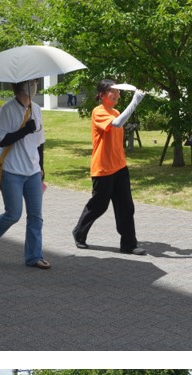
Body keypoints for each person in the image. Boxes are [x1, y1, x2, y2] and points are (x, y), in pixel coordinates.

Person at [0, 79, 50, 269]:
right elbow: (2, 141)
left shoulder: (37, 109)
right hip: (11, 170)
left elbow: (40, 142)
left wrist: (41, 166)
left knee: (36, 216)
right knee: (13, 214)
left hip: (33, 171)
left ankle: (34, 256)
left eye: (35, 82)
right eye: (30, 83)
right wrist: (25, 130)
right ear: (20, 86)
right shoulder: (6, 110)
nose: (34, 86)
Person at [73, 79, 147, 255]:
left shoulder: (115, 111)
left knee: (126, 207)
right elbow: (117, 124)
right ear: (102, 95)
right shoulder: (98, 112)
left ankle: (129, 244)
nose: (117, 94)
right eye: (113, 91)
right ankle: (79, 232)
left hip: (119, 166)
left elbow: (119, 122)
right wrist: (135, 101)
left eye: (118, 91)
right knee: (99, 205)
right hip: (103, 168)